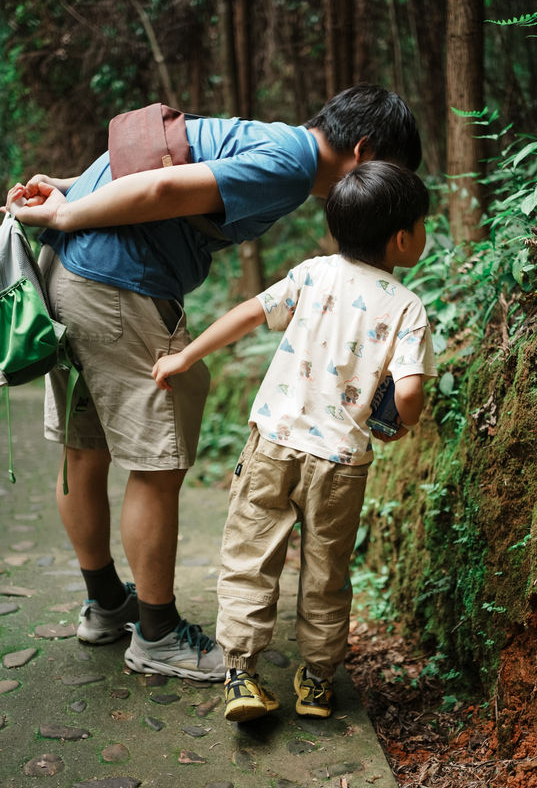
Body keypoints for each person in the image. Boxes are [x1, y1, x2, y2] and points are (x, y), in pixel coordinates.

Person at [4, 86, 422, 682]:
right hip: (118, 286)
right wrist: (63, 209)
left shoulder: (270, 136)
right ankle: (157, 634)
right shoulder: (291, 166)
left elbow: (151, 163)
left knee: (85, 451)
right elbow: (164, 188)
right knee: (156, 466)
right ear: (363, 151)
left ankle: (106, 604)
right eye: (391, 174)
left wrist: (71, 191)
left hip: (69, 272)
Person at [151, 161, 437, 720]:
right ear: (403, 237)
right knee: (326, 571)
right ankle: (317, 680)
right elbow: (407, 394)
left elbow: (249, 314)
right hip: (340, 464)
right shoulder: (407, 307)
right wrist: (407, 423)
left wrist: (186, 354)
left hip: (273, 445)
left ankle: (240, 675)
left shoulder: (312, 274)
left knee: (249, 557)